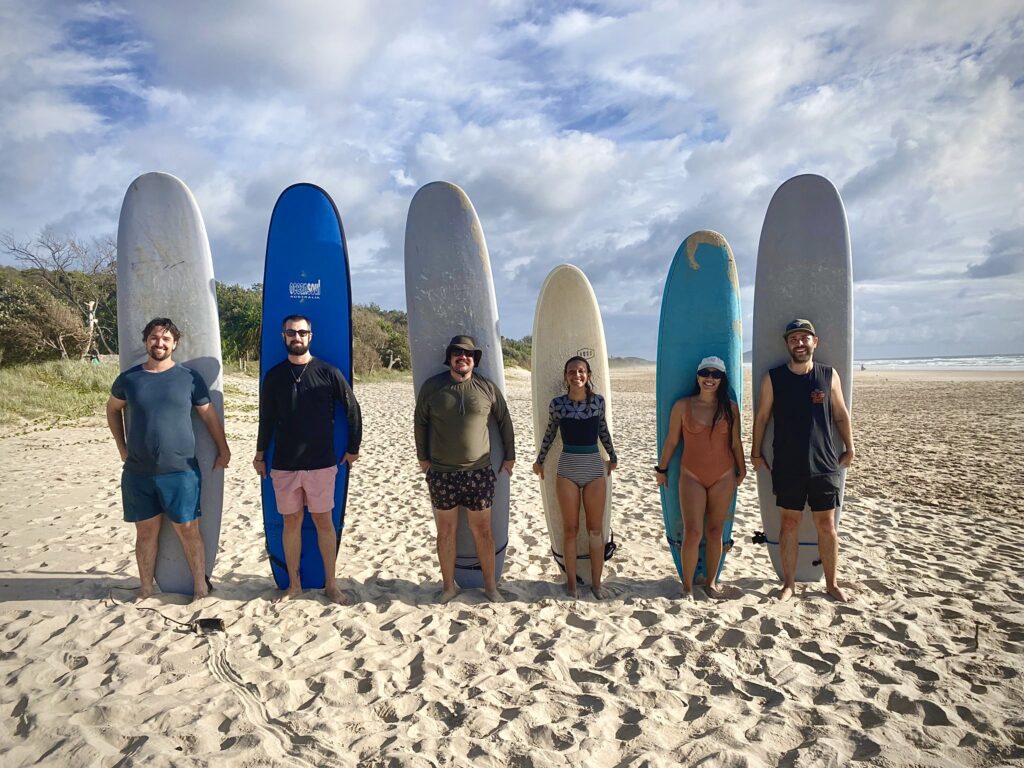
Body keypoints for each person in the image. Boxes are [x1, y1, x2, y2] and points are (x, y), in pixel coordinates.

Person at [106, 317, 231, 600]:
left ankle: (200, 587)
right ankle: (146, 588)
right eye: (154, 338)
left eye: (165, 339)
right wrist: (121, 446)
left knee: (188, 531)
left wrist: (223, 448)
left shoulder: (188, 378)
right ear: (146, 341)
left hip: (180, 471)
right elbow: (112, 409)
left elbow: (208, 414)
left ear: (174, 344)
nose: (159, 343)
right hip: (139, 473)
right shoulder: (129, 378)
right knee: (146, 534)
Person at [254, 315, 362, 604]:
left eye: (302, 332)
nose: (297, 337)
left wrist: (354, 448)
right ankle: (294, 586)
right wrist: (260, 453)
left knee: (324, 522)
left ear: (310, 336)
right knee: (291, 523)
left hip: (321, 464)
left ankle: (331, 584)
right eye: (291, 332)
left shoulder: (328, 372)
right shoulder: (274, 376)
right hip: (284, 464)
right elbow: (266, 418)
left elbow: (352, 409)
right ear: (283, 336)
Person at [751, 319, 854, 602]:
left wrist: (850, 446)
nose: (799, 343)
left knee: (827, 526)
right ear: (787, 344)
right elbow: (761, 417)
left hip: (824, 464)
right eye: (793, 339)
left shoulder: (828, 374)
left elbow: (841, 414)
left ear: (814, 342)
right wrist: (755, 451)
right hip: (787, 464)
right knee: (789, 524)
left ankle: (831, 584)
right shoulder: (773, 378)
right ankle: (788, 584)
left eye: (804, 338)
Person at [414, 335, 515, 603]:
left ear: (475, 360)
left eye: (469, 354)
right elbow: (420, 423)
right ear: (449, 357)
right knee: (445, 532)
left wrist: (510, 456)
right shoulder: (432, 387)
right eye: (457, 352)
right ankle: (449, 586)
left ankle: (490, 587)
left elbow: (504, 420)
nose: (463, 357)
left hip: (478, 472)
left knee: (483, 531)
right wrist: (422, 457)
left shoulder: (486, 387)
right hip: (442, 473)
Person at [655, 356, 745, 600]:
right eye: (705, 373)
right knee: (693, 532)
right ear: (698, 376)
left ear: (722, 379)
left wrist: (742, 467)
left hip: (724, 475)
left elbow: (735, 442)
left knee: (715, 531)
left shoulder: (730, 407)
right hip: (691, 475)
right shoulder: (683, 406)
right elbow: (672, 441)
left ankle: (712, 582)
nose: (710, 378)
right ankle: (686, 586)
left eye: (716, 374)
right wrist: (661, 469)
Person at [532, 356, 617, 599]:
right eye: (571, 371)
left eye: (581, 371)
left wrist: (612, 456)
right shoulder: (558, 404)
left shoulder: (598, 402)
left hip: (593, 467)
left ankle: (597, 585)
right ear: (566, 376)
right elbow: (549, 434)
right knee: (570, 530)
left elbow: (603, 431)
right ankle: (570, 584)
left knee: (595, 530)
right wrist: (540, 460)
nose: (576, 375)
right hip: (567, 467)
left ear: (588, 375)